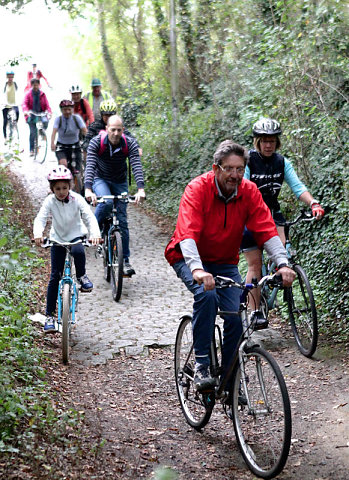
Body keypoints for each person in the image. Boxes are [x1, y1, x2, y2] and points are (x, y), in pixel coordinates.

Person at [164, 140, 296, 392]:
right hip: (189, 258)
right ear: (216, 169)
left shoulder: (249, 191)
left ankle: (229, 377)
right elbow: (188, 234)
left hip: (224, 261)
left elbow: (266, 229)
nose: (235, 175)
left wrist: (282, 263)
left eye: (239, 169)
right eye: (228, 169)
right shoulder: (197, 189)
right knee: (208, 295)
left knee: (236, 314)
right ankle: (202, 363)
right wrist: (198, 270)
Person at [241, 117, 325, 309]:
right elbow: (243, 189)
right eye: (264, 141)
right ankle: (255, 312)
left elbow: (297, 187)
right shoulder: (248, 162)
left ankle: (279, 290)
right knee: (255, 264)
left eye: (272, 141)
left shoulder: (281, 162)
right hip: (251, 216)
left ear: (277, 142)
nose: (268, 145)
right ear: (257, 142)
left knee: (282, 255)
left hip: (273, 214)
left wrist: (313, 202)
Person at [33, 166, 101, 333]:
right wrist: (38, 234)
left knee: (78, 252)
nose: (62, 192)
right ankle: (49, 316)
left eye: (64, 188)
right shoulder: (49, 201)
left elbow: (89, 217)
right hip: (57, 239)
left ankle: (82, 276)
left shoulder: (77, 199)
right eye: (58, 189)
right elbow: (41, 218)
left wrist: (95, 234)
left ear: (69, 186)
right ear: (52, 189)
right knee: (55, 275)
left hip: (76, 236)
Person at [84, 114, 146, 277]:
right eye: (113, 130)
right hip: (100, 178)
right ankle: (94, 231)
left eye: (119, 130)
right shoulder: (97, 142)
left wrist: (140, 189)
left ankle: (125, 261)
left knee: (123, 221)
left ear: (123, 130)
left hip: (120, 181)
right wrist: (88, 189)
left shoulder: (129, 143)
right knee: (105, 203)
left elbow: (136, 165)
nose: (116, 133)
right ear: (107, 130)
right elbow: (90, 165)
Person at [51, 99, 87, 185]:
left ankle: (80, 184)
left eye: (69, 109)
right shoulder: (58, 119)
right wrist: (52, 143)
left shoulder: (76, 118)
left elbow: (85, 131)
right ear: (61, 110)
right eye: (64, 109)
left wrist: (88, 142)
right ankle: (62, 184)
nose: (67, 112)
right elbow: (54, 132)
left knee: (78, 168)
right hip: (62, 146)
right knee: (63, 165)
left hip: (75, 145)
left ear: (72, 109)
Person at [22, 78, 52, 156]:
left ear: (39, 85)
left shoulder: (42, 94)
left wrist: (49, 112)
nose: (35, 86)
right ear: (31, 85)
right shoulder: (28, 94)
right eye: (34, 85)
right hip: (31, 114)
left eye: (37, 85)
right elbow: (24, 103)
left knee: (46, 121)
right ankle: (31, 149)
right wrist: (26, 111)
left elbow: (47, 105)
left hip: (41, 113)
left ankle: (42, 133)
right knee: (33, 133)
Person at [2, 71, 19, 141]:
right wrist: (3, 103)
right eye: (9, 77)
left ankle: (14, 125)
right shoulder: (5, 84)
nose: (10, 78)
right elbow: (2, 94)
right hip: (6, 105)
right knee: (5, 121)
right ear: (7, 77)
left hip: (13, 104)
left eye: (11, 77)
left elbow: (18, 93)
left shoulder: (15, 84)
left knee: (17, 113)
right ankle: (5, 137)